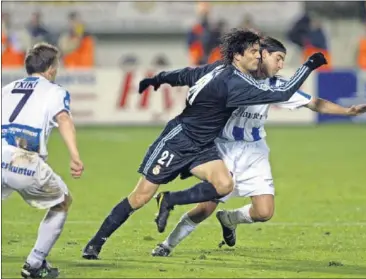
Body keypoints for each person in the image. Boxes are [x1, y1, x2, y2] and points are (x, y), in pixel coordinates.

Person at [82, 29, 326, 260]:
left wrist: (157, 79)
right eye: (253, 51)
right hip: (177, 141)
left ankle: (170, 200)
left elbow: (186, 74)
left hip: (203, 146)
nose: (259, 55)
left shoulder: (219, 69)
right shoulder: (233, 83)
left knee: (223, 184)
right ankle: (95, 243)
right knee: (140, 196)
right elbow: (282, 95)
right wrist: (308, 65)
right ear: (238, 55)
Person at [150, 37, 366, 256]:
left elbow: (314, 103)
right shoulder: (230, 79)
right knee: (205, 208)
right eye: (278, 58)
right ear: (263, 55)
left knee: (264, 212)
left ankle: (229, 219)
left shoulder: (276, 86)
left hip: (254, 151)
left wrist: (348, 111)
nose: (281, 65)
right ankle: (167, 244)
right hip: (222, 150)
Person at [1, 42, 84, 278]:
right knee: (62, 201)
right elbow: (64, 120)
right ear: (49, 68)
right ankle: (35, 263)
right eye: (56, 65)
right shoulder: (54, 90)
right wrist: (75, 156)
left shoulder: (7, 88)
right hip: (22, 160)